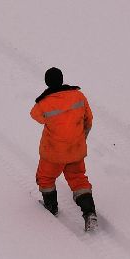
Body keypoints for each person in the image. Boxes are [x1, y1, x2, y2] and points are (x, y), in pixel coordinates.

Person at [29, 67, 98, 226]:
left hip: (53, 153)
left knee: (45, 178)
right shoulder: (78, 96)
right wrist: (82, 137)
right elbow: (88, 119)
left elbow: (35, 115)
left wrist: (45, 96)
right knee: (79, 180)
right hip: (76, 149)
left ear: (47, 82)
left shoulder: (44, 104)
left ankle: (51, 207)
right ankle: (89, 213)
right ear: (62, 79)